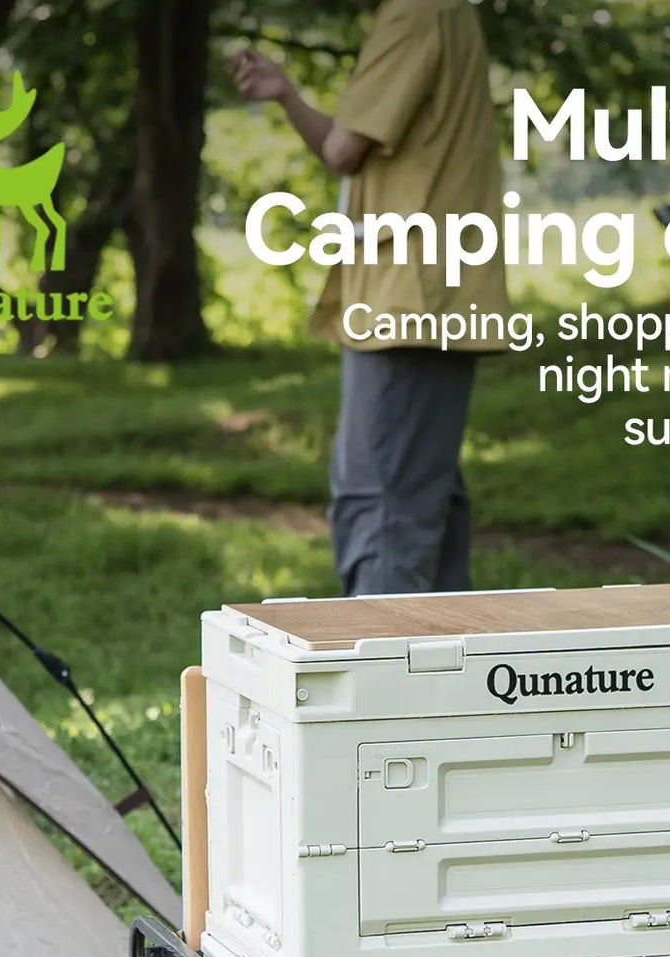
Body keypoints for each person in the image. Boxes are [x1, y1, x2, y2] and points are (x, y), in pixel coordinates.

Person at [228, 0, 508, 597]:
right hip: (439, 291)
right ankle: (448, 676)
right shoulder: (450, 12)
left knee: (380, 503)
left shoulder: (411, 13)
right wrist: (286, 94)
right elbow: (348, 151)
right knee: (426, 505)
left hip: (407, 296)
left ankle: (382, 670)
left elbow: (342, 150)